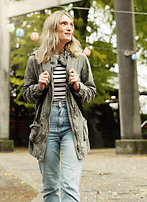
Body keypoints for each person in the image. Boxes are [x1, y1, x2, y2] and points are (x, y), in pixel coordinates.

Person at [22, 10, 96, 202]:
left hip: (73, 125)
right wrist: (38, 87)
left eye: (71, 24)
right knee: (50, 187)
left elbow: (91, 93)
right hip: (46, 125)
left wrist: (78, 85)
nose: (69, 27)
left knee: (69, 185)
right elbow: (26, 94)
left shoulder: (80, 58)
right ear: (52, 28)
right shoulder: (36, 59)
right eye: (64, 24)